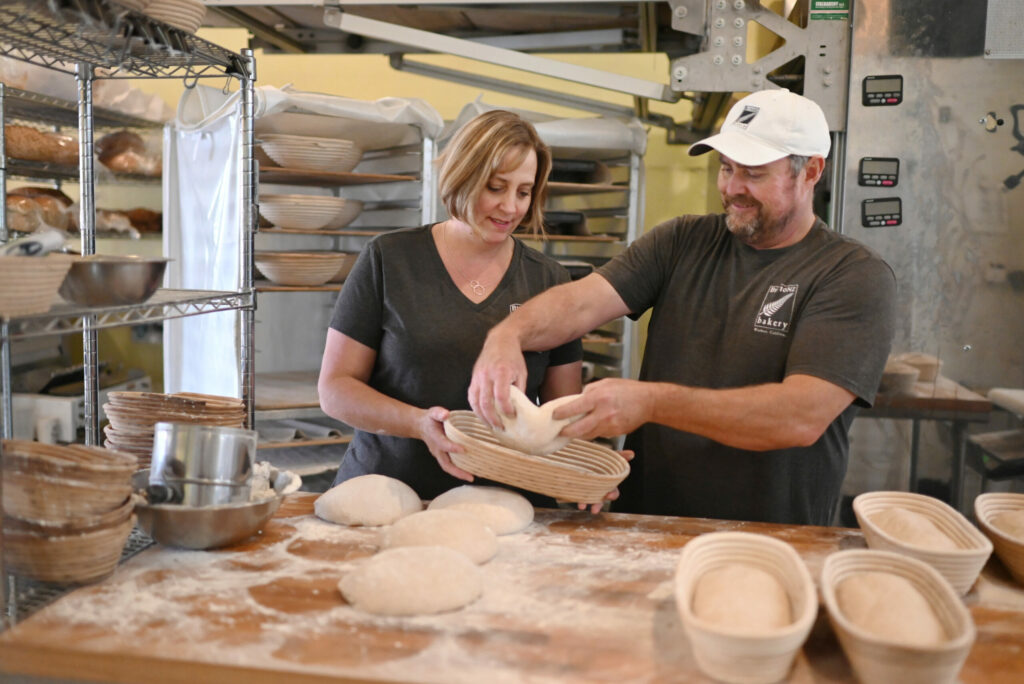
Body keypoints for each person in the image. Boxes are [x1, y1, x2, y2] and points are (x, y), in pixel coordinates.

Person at [469, 89, 897, 526]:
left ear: (811, 171)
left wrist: (651, 403)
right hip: (646, 525)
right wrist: (507, 335)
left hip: (771, 536)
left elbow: (799, 417)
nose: (731, 188)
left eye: (752, 172)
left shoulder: (851, 274)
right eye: (725, 168)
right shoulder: (682, 241)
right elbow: (579, 304)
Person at [318, 109, 583, 501]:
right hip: (389, 492)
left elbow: (561, 413)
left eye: (524, 192)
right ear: (463, 175)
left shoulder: (549, 281)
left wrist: (587, 460)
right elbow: (336, 389)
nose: (511, 208)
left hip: (510, 503)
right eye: (496, 187)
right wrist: (419, 423)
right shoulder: (390, 260)